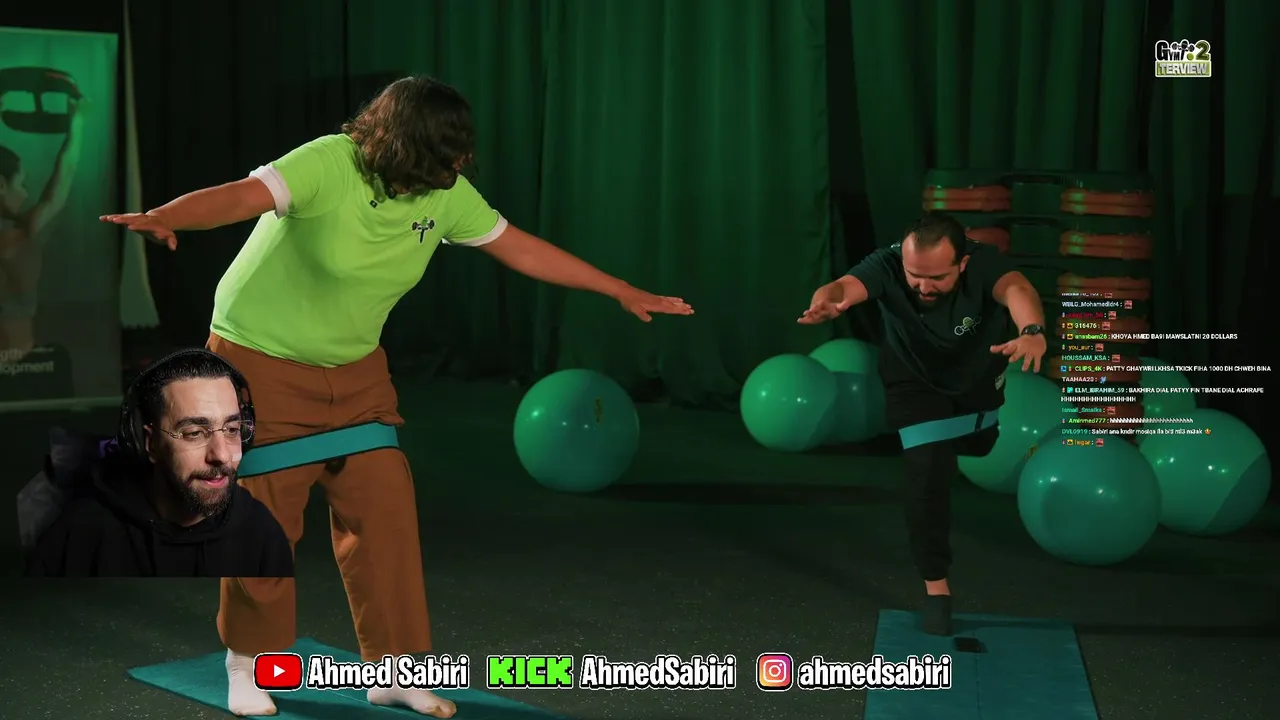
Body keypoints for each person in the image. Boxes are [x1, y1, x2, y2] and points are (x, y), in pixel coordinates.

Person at [101, 76, 693, 718]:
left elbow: (519, 247)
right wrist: (167, 216)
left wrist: (619, 289)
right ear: (403, 143)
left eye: (460, 151)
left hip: (355, 371)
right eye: (445, 151)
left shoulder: (447, 193)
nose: (458, 163)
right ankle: (246, 665)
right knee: (264, 519)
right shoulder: (330, 162)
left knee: (384, 508)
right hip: (259, 361)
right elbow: (242, 196)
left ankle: (395, 672)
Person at [799, 211, 1046, 636]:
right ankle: (937, 589)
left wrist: (1033, 330)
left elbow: (1018, 289)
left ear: (961, 264)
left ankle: (972, 432)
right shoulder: (887, 264)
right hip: (913, 382)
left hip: (975, 381)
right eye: (915, 276)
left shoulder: (983, 263)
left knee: (980, 445)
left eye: (937, 278)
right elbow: (844, 286)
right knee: (925, 473)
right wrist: (827, 299)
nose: (923, 287)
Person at [24, 348, 294, 578]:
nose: (221, 455)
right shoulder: (80, 535)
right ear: (149, 443)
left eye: (232, 429)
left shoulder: (260, 531)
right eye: (195, 433)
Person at [0, 96, 86, 355]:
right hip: (22, 359)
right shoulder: (25, 233)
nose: (26, 193)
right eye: (21, 183)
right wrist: (78, 120)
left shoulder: (24, 232)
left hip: (25, 361)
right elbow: (66, 170)